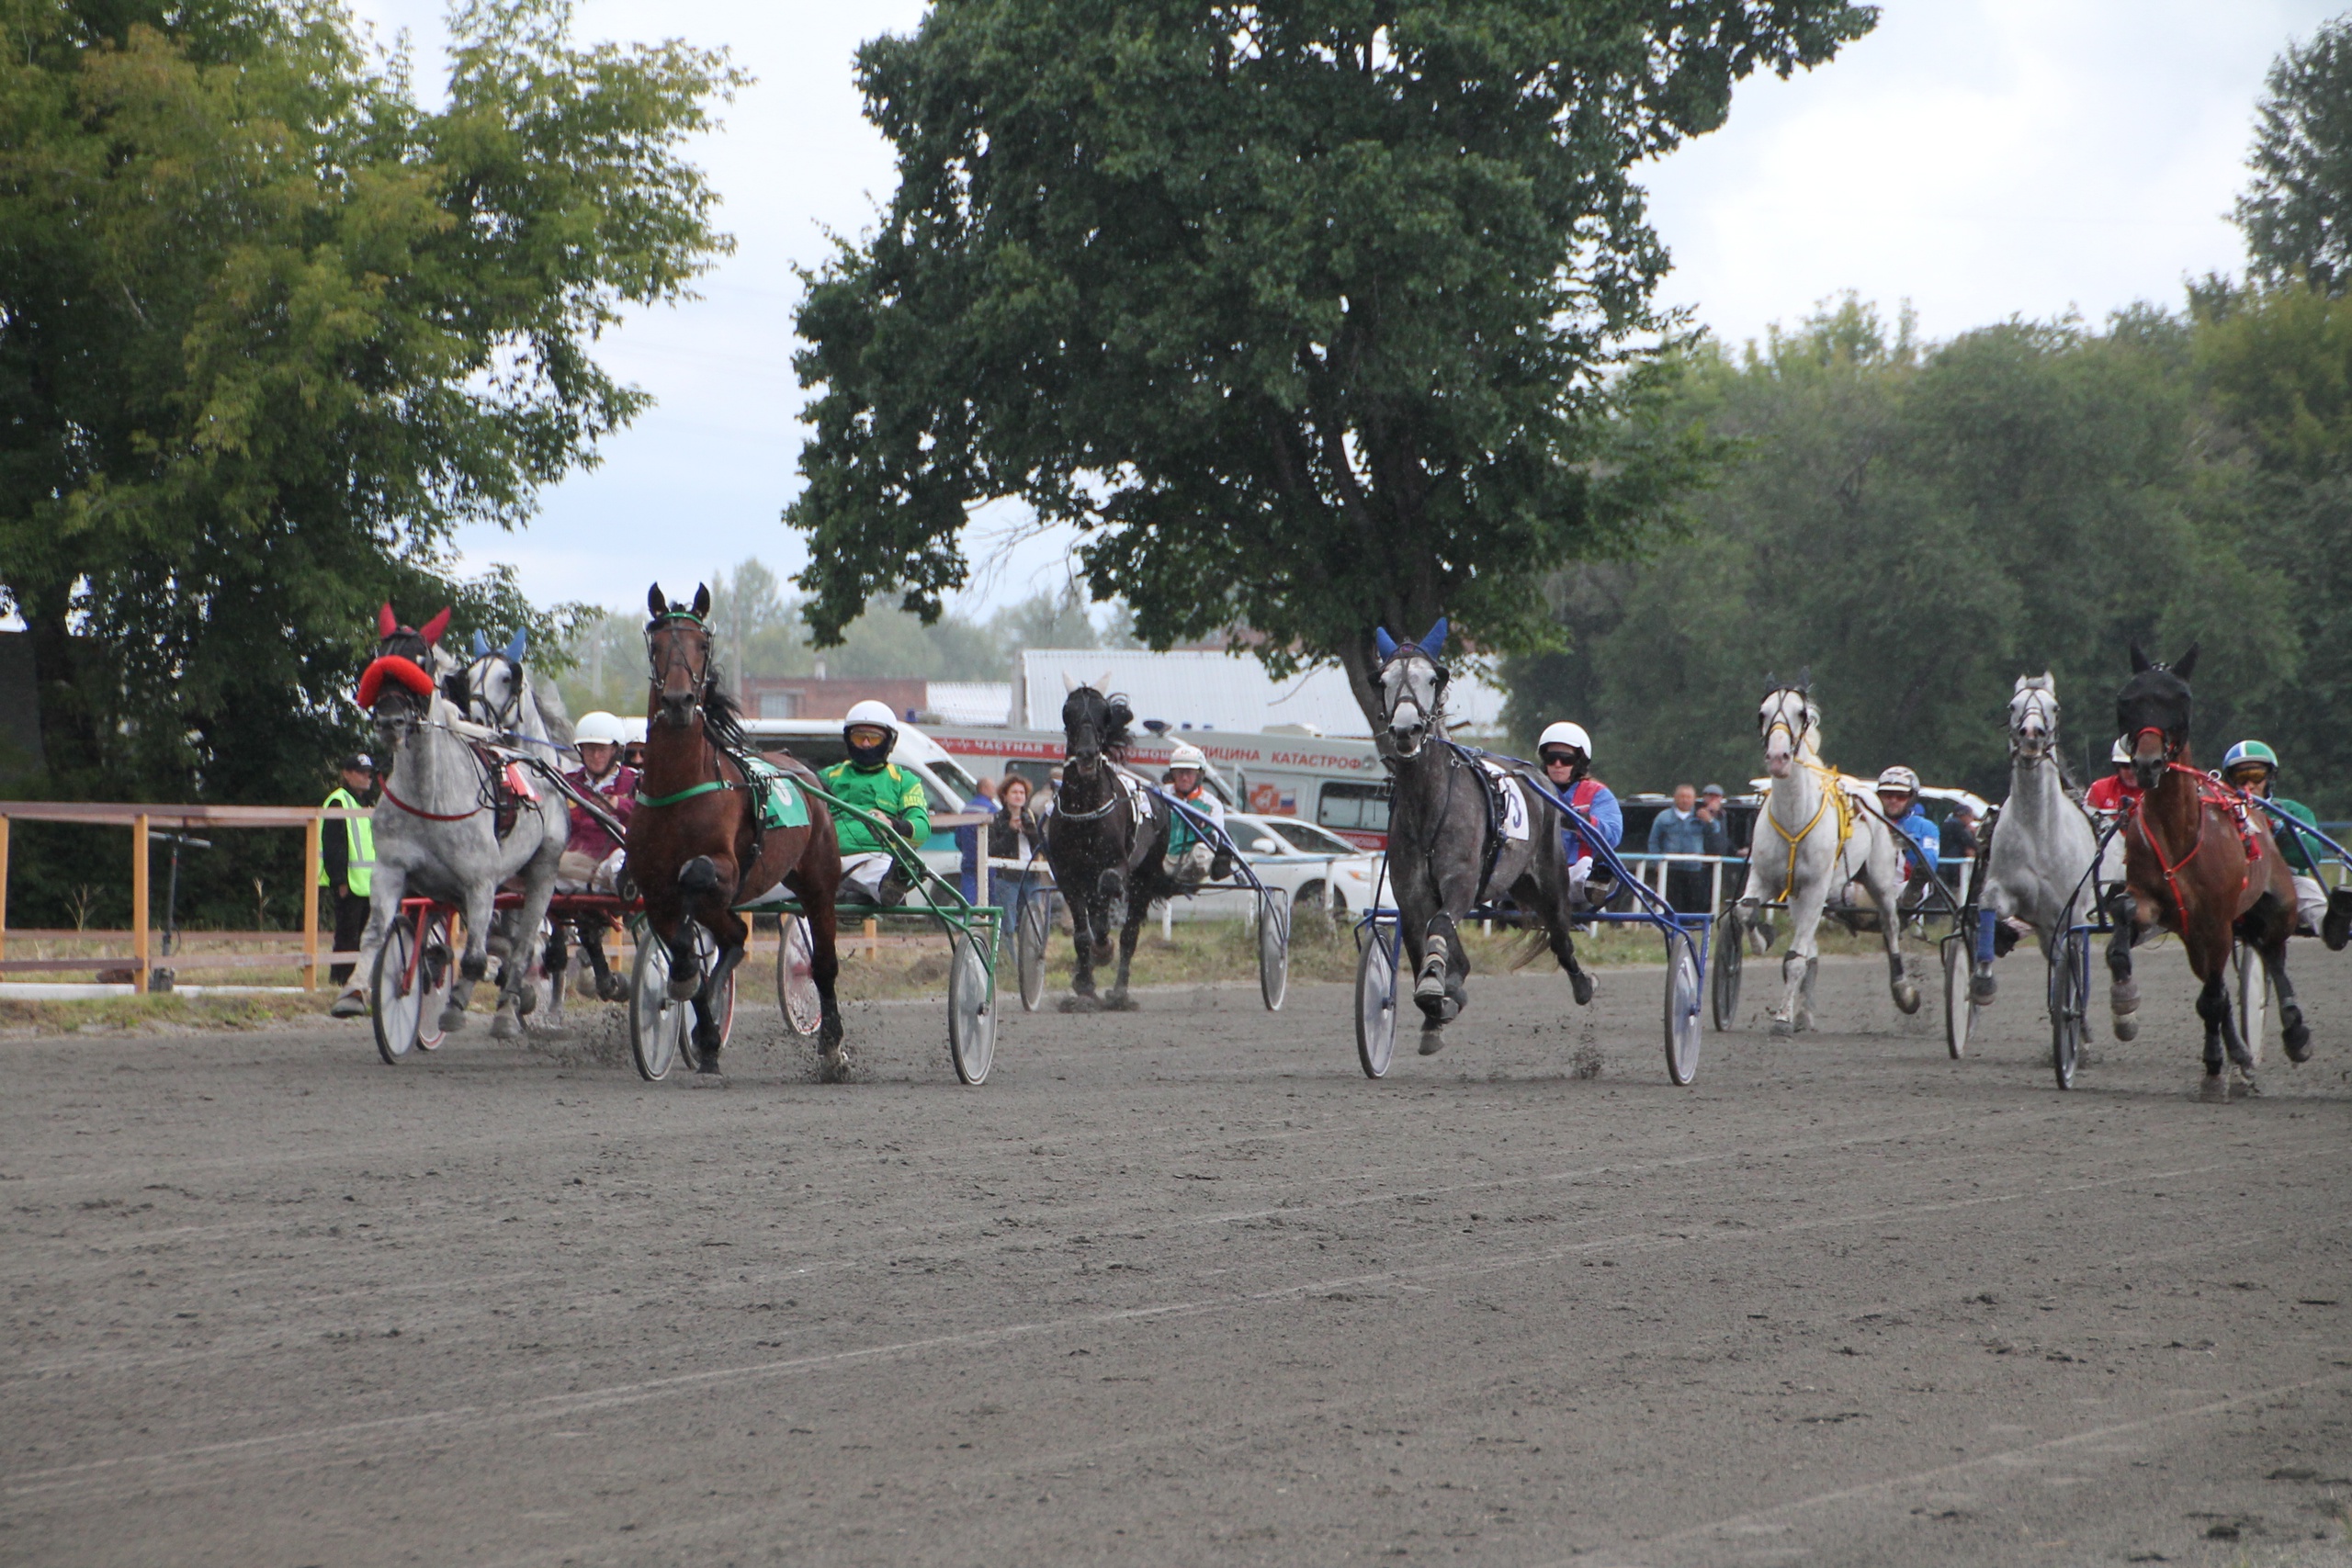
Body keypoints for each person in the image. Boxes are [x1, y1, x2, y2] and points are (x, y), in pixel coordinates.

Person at [548, 711, 637, 1000]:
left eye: (602, 749)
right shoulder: (567, 782)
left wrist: (617, 803)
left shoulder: (633, 782)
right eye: (589, 749)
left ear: (615, 751)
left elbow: (649, 814)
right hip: (570, 865)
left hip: (613, 861)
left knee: (619, 868)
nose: (595, 755)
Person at [2222, 739, 2345, 944]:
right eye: (2240, 777)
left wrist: (2282, 832)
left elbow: (2311, 856)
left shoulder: (2293, 812)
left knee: (2309, 891)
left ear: (2270, 778)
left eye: (2255, 776)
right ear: (2229, 780)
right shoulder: (2221, 813)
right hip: (2236, 885)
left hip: (2286, 883)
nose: (2248, 785)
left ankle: (2330, 927)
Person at [820, 700, 930, 906]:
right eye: (859, 736)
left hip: (875, 855)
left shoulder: (904, 780)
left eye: (874, 738)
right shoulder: (826, 777)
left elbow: (922, 827)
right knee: (802, 885)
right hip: (827, 856)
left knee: (881, 873)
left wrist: (893, 825)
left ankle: (890, 886)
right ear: (848, 739)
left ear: (889, 741)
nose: (866, 744)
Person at [1536, 722, 1621, 908]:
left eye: (1565, 759)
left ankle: (1592, 885)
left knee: (1584, 866)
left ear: (1579, 761)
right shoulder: (1531, 789)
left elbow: (1612, 837)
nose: (1557, 764)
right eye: (1551, 758)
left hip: (1574, 869)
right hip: (1535, 868)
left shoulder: (1598, 794)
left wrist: (1583, 822)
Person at [319, 753, 377, 987]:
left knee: (365, 936)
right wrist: (340, 881)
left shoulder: (364, 804)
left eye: (368, 773)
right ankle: (340, 980)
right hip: (350, 883)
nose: (366, 777)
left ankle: (360, 981)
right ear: (346, 774)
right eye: (361, 772)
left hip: (367, 883)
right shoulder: (338, 801)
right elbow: (334, 845)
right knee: (347, 936)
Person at [1161, 743, 1228, 887]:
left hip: (1190, 863)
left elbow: (1215, 839)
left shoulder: (1212, 805)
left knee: (1203, 852)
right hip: (1162, 859)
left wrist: (1201, 828)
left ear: (1200, 775)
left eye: (1189, 773)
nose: (1184, 778)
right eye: (1180, 772)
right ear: (1172, 774)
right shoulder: (1161, 795)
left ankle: (1179, 883)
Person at [1875, 766, 1941, 898]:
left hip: (1904, 887)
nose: (1893, 800)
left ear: (1912, 797)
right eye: (1887, 795)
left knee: (1917, 883)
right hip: (1867, 886)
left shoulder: (1925, 827)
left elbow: (1930, 862)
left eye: (1901, 796)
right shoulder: (1867, 822)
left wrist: (1906, 846)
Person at [1647, 783, 1713, 914]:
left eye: (1689, 797)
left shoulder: (1702, 816)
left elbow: (1716, 833)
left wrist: (1710, 821)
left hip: (1694, 869)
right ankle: (1672, 931)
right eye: (1682, 796)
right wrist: (1656, 863)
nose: (1685, 800)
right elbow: (1653, 841)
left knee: (1694, 906)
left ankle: (1692, 932)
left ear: (1694, 799)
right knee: (1672, 906)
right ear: (1675, 798)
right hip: (1671, 869)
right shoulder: (1663, 817)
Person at [988, 774, 1044, 922]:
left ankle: (1030, 947)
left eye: (1022, 793)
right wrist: (1011, 830)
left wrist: (1030, 831)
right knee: (1007, 921)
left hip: (1031, 876)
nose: (1019, 796)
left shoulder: (1033, 817)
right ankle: (1008, 946)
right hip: (1007, 877)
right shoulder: (997, 819)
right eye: (1014, 792)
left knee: (1032, 921)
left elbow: (1041, 846)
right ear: (1004, 796)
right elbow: (993, 850)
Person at [956, 774, 999, 904]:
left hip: (968, 858)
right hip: (987, 859)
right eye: (993, 788)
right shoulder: (991, 809)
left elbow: (958, 837)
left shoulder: (966, 808)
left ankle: (967, 920)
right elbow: (996, 835)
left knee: (968, 895)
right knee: (990, 895)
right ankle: (989, 921)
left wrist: (967, 849)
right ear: (984, 788)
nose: (995, 791)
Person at [2085, 739, 2142, 816]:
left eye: (2136, 766)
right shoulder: (2099, 789)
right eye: (2126, 766)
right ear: (2117, 766)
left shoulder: (2159, 794)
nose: (2131, 772)